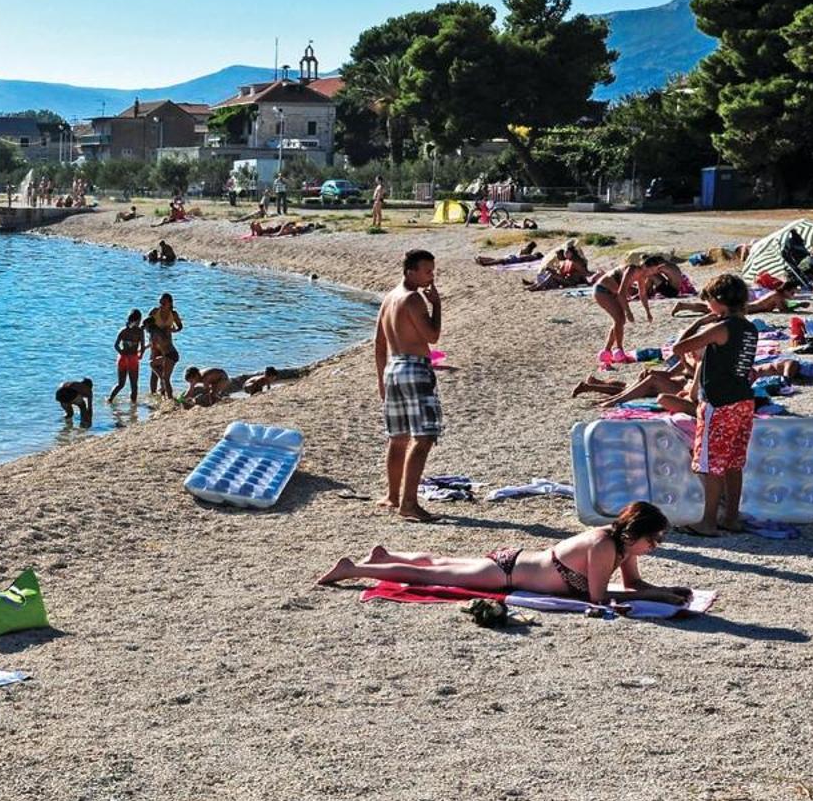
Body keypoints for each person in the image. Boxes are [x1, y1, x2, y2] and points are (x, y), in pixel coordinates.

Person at [317, 501, 688, 607]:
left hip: (516, 561)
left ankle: (386, 556)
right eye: (653, 540)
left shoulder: (621, 545)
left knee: (442, 563)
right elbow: (598, 597)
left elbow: (634, 584)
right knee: (433, 576)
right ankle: (355, 569)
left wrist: (665, 590)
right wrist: (656, 596)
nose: (655, 547)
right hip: (507, 573)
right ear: (637, 534)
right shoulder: (603, 546)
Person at [670, 273, 758, 537]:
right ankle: (731, 517)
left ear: (718, 301)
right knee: (733, 462)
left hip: (719, 403)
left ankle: (707, 522)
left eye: (708, 301)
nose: (707, 306)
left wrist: (700, 322)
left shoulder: (721, 328)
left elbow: (679, 348)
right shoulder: (749, 328)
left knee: (710, 464)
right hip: (743, 400)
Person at [376, 249, 443, 522]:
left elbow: (379, 345)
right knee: (424, 437)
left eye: (432, 271)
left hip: (393, 368)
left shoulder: (389, 298)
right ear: (410, 271)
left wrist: (382, 379)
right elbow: (433, 336)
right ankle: (409, 503)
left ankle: (392, 496)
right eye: (427, 271)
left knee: (398, 436)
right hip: (415, 368)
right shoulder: (413, 299)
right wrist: (436, 305)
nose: (431, 277)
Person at [589, 256, 665, 357]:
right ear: (646, 267)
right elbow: (621, 293)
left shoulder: (642, 276)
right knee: (619, 319)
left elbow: (642, 294)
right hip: (602, 290)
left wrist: (648, 312)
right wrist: (628, 311)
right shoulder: (632, 270)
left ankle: (607, 350)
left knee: (620, 320)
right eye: (654, 270)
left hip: (612, 292)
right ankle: (618, 349)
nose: (654, 273)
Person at [145, 293, 184, 399]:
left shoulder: (173, 314)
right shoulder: (154, 311)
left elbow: (180, 327)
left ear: (170, 303)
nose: (161, 304)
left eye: (164, 303)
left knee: (164, 369)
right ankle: (153, 394)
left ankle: (163, 392)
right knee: (154, 370)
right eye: (160, 302)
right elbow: (146, 325)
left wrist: (172, 330)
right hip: (155, 343)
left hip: (166, 344)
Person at [108, 309, 144, 403]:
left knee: (120, 384)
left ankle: (110, 399)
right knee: (134, 385)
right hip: (133, 359)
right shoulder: (140, 332)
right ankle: (133, 406)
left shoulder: (123, 331)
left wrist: (121, 353)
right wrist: (141, 355)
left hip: (123, 358)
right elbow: (142, 346)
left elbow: (116, 345)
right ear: (139, 320)